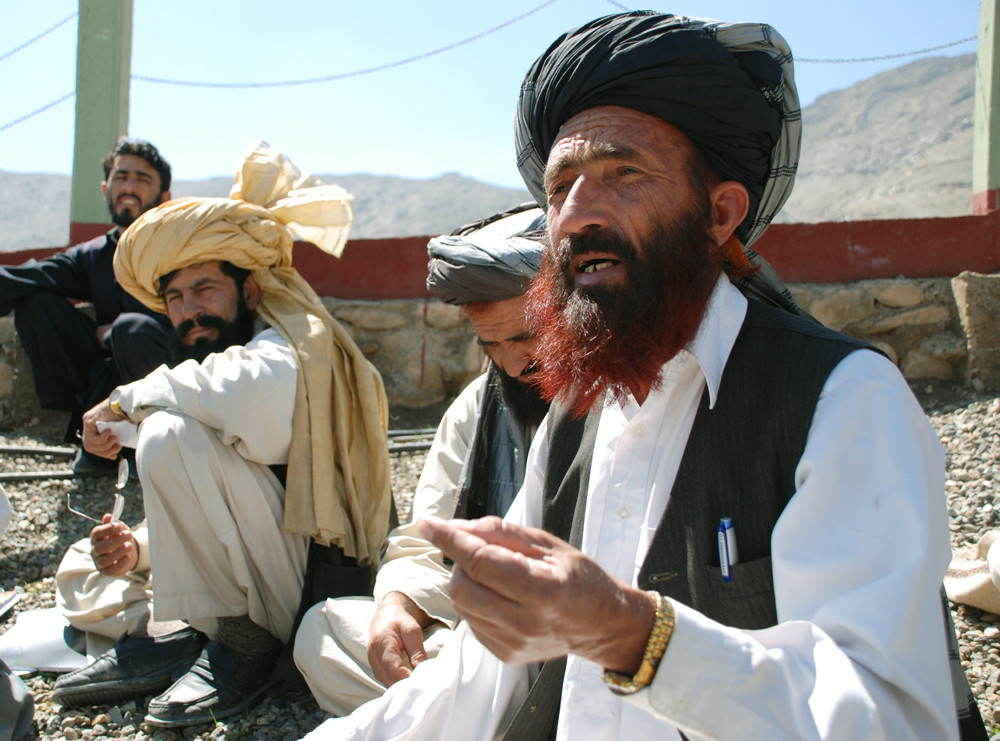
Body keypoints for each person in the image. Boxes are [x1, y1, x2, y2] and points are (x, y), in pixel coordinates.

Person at [303, 12, 968, 740]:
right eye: (560, 188)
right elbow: (480, 675)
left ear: (719, 213)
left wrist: (633, 635)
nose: (577, 215)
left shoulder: (842, 400)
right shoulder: (573, 416)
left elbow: (893, 717)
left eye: (623, 174)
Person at [51, 141, 392, 728]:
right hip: (260, 562)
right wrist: (140, 550)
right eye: (176, 298)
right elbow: (220, 493)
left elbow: (236, 401)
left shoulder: (290, 347)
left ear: (249, 291)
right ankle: (189, 635)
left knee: (166, 433)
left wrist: (122, 402)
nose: (189, 312)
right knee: (90, 563)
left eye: (205, 290)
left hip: (309, 589)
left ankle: (238, 645)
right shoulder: (218, 365)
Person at [292, 203, 550, 714]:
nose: (512, 364)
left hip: (579, 639)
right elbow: (428, 541)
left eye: (527, 339)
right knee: (322, 630)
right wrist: (399, 604)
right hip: (486, 637)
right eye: (491, 345)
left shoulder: (618, 400)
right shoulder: (478, 405)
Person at [0, 137, 177, 474]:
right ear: (104, 188)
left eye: (142, 179)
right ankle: (98, 438)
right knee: (37, 303)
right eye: (121, 177)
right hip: (106, 382)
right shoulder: (94, 254)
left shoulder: (181, 251)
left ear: (164, 196)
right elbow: (32, 276)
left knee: (130, 332)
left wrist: (112, 333)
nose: (129, 186)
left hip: (166, 380)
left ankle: (153, 445)